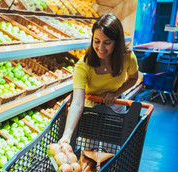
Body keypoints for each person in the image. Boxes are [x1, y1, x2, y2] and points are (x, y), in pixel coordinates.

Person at [59, 13, 139, 145]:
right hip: (91, 109)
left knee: (112, 149)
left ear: (117, 43)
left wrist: (115, 93)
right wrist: (66, 136)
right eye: (97, 41)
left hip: (116, 106)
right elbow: (77, 103)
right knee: (88, 149)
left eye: (107, 43)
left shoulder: (127, 57)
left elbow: (133, 78)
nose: (101, 48)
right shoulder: (83, 65)